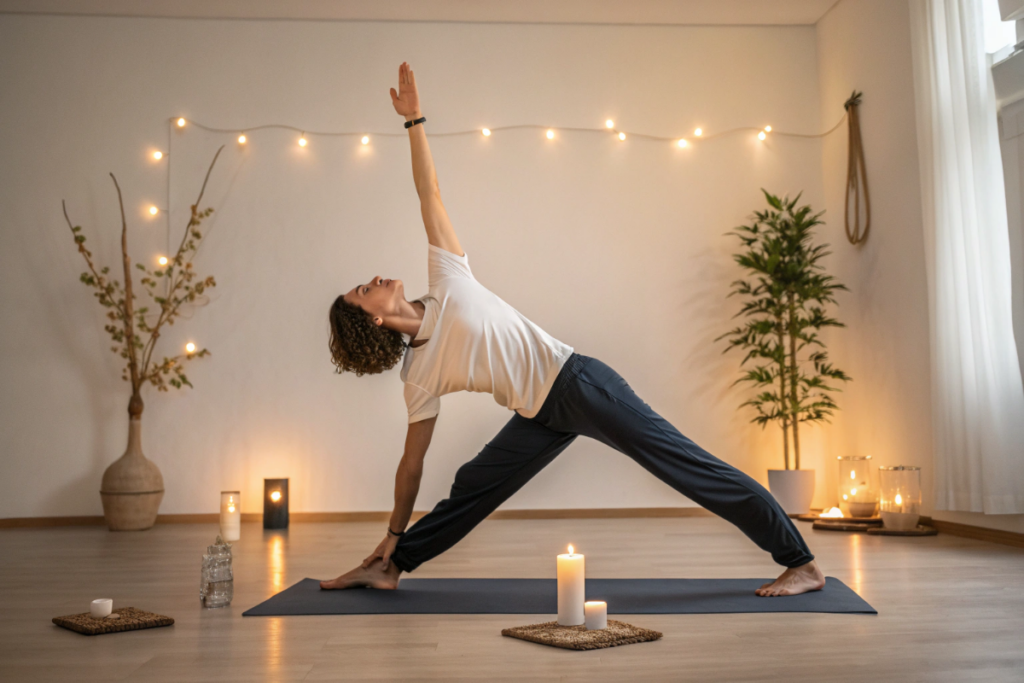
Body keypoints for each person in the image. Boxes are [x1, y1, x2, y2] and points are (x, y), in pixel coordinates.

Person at [322, 62, 825, 598]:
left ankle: (802, 563)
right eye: (363, 289)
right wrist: (394, 532)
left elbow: (430, 193)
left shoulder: (446, 278)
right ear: (372, 319)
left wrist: (414, 121)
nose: (373, 279)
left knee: (683, 465)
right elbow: (410, 465)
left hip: (579, 383)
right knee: (473, 486)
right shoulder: (418, 374)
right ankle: (391, 564)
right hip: (539, 414)